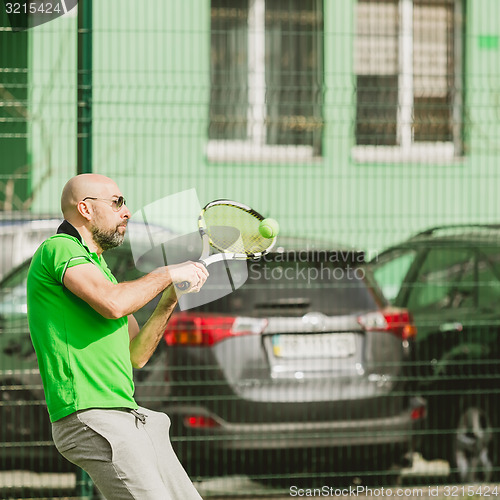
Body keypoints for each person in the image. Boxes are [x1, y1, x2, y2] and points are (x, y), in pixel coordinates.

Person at [26, 174, 209, 500]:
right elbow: (113, 303)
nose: (126, 211)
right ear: (85, 208)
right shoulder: (58, 249)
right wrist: (166, 272)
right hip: (90, 416)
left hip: (131, 418)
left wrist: (169, 299)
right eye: (117, 202)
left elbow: (136, 354)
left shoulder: (101, 269)